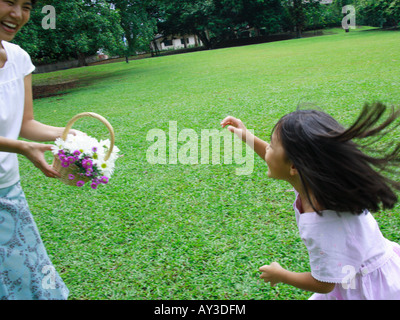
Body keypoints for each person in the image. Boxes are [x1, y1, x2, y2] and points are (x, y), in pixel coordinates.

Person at [221, 102, 400, 299]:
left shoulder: (321, 220)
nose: (267, 149)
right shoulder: (318, 182)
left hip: (366, 289)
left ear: (295, 167)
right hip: (367, 271)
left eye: (272, 145)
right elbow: (278, 159)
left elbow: (324, 284)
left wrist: (281, 275)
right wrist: (246, 136)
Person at [0, 0, 70, 299]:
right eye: (8, 1)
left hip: (6, 189)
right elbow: (20, 139)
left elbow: (25, 123)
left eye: (26, 5)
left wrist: (66, 135)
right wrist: (20, 147)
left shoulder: (18, 58)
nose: (17, 15)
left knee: (32, 278)